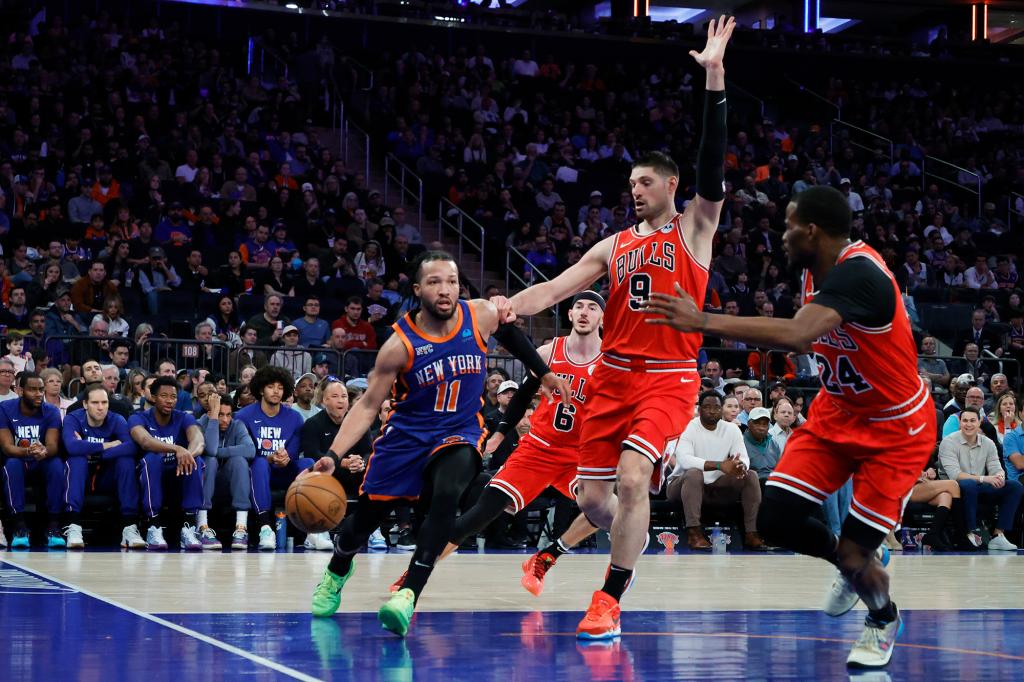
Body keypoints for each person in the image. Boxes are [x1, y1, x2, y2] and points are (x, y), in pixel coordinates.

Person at [490, 18, 735, 640]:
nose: (634, 191)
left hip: (667, 379)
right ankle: (629, 531)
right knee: (596, 503)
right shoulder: (614, 244)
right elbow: (553, 288)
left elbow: (712, 162)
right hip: (611, 378)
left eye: (645, 182)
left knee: (631, 480)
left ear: (671, 186)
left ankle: (608, 599)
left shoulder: (694, 229)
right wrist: (506, 306)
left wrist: (713, 74)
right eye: (630, 184)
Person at [641, 185, 936, 668]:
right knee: (776, 518)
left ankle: (883, 619)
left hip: (894, 429)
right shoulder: (814, 272)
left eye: (788, 226)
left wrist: (702, 321)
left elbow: (798, 335)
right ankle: (853, 560)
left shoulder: (861, 275)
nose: (781, 235)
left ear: (812, 231)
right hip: (838, 412)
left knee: (858, 556)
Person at [306, 251, 570, 637]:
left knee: (449, 491)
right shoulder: (398, 345)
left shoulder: (478, 314)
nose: (445, 289)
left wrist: (544, 372)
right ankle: (338, 568)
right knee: (360, 526)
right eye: (434, 282)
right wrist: (333, 454)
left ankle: (409, 591)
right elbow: (367, 405)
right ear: (418, 290)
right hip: (406, 437)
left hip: (459, 430)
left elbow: (510, 332)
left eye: (451, 281)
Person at [393, 292, 607, 596]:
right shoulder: (549, 353)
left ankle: (546, 557)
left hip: (581, 454)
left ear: (601, 318)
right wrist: (500, 433)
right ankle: (414, 573)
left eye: (593, 308)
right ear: (570, 315)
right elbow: (522, 396)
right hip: (539, 448)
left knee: (606, 509)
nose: (585, 312)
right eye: (579, 307)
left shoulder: (611, 362)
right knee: (480, 513)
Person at [667, 391, 765, 551]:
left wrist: (740, 466)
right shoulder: (688, 427)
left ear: (722, 410)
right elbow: (685, 461)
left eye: (716, 407)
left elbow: (744, 458)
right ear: (699, 410)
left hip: (717, 488)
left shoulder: (732, 430)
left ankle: (751, 534)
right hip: (682, 487)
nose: (712, 411)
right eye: (707, 407)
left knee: (750, 475)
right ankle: (694, 533)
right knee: (693, 473)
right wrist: (719, 465)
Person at [235, 365, 317, 551]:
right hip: (259, 472)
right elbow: (244, 454)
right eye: (271, 386)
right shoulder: (244, 416)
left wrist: (286, 457)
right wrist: (269, 458)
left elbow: (294, 452)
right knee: (259, 463)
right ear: (261, 389)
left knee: (309, 463)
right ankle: (265, 527)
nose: (276, 391)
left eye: (280, 388)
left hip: (285, 470)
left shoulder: (295, 418)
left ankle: (313, 531)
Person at [129, 377, 207, 551]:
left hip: (177, 474)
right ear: (154, 397)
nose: (169, 400)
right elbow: (145, 442)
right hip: (150, 476)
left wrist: (187, 453)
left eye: (173, 397)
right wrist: (178, 448)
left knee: (196, 460)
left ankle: (189, 527)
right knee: (152, 458)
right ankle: (153, 527)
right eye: (164, 396)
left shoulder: (183, 417)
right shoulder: (138, 417)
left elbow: (199, 441)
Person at [62, 386, 143, 550]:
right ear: (85, 404)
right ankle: (73, 526)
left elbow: (131, 447)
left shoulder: (117, 419)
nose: (101, 407)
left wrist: (96, 453)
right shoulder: (73, 418)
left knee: (126, 461)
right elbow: (71, 447)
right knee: (76, 460)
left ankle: (129, 527)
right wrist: (107, 445)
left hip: (105, 477)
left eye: (104, 402)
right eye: (95, 402)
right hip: (80, 478)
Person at [938, 407, 1022, 551]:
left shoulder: (988, 443)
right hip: (956, 488)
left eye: (972, 421)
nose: (968, 424)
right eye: (965, 421)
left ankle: (998, 535)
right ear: (960, 422)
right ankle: (970, 533)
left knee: (1014, 486)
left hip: (980, 486)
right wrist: (985, 478)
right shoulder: (949, 442)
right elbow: (955, 475)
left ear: (980, 422)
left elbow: (996, 467)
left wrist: (999, 476)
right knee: (968, 484)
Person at [0, 373, 64, 548]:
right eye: (32, 389)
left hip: (41, 461)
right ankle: (19, 527)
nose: (38, 394)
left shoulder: (51, 411)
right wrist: (27, 450)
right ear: (20, 390)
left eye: (41, 389)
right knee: (11, 464)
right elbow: (6, 446)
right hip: (18, 460)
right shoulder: (4, 408)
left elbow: (53, 445)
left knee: (57, 466)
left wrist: (44, 450)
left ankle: (53, 527)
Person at [197, 391, 254, 550]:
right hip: (205, 482)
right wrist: (212, 419)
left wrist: (220, 452)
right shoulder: (199, 423)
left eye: (228, 415)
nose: (225, 419)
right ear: (210, 412)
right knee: (210, 461)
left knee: (239, 461)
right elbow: (210, 449)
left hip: (229, 484)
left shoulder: (237, 425)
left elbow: (250, 450)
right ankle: (202, 526)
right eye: (220, 414)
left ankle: (241, 528)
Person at [299, 376, 370, 499]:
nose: (341, 401)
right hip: (325, 479)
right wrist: (341, 463)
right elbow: (312, 455)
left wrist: (361, 462)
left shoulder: (360, 423)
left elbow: (369, 452)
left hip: (355, 478)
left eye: (344, 396)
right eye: (335, 396)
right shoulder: (312, 424)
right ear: (324, 401)